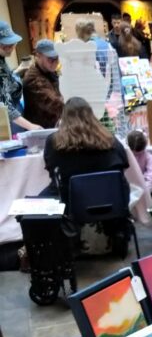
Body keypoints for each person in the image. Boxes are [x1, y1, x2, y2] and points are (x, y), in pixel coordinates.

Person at [43, 97, 131, 255]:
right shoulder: (111, 140)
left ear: (64, 117)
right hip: (112, 203)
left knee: (36, 203)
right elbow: (123, 166)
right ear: (92, 115)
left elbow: (52, 173)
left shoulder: (54, 142)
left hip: (72, 206)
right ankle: (116, 233)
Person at [0, 21, 42, 133]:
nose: (11, 48)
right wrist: (31, 126)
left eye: (12, 44)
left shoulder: (2, 59)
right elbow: (5, 106)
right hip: (10, 122)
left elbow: (6, 80)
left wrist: (17, 72)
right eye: (6, 45)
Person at [22, 39, 64, 129]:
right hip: (41, 130)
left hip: (53, 125)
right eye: (50, 59)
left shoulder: (50, 72)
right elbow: (55, 104)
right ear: (38, 55)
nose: (55, 62)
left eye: (57, 58)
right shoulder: (33, 78)